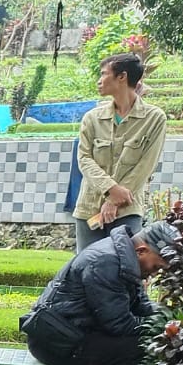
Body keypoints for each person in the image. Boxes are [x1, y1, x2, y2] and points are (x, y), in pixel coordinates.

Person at [20, 221, 179, 365]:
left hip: (73, 333)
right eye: (156, 268)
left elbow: (141, 306)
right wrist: (164, 328)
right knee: (143, 349)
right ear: (142, 250)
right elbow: (119, 324)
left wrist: (171, 319)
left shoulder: (122, 257)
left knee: (151, 339)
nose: (152, 275)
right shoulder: (105, 263)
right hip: (55, 344)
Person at [73, 52, 166, 253]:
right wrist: (111, 189)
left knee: (127, 268)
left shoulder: (154, 118)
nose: (99, 81)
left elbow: (146, 165)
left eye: (103, 74)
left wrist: (115, 200)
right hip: (89, 208)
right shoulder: (92, 118)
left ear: (122, 77)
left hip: (128, 210)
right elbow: (84, 158)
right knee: (85, 270)